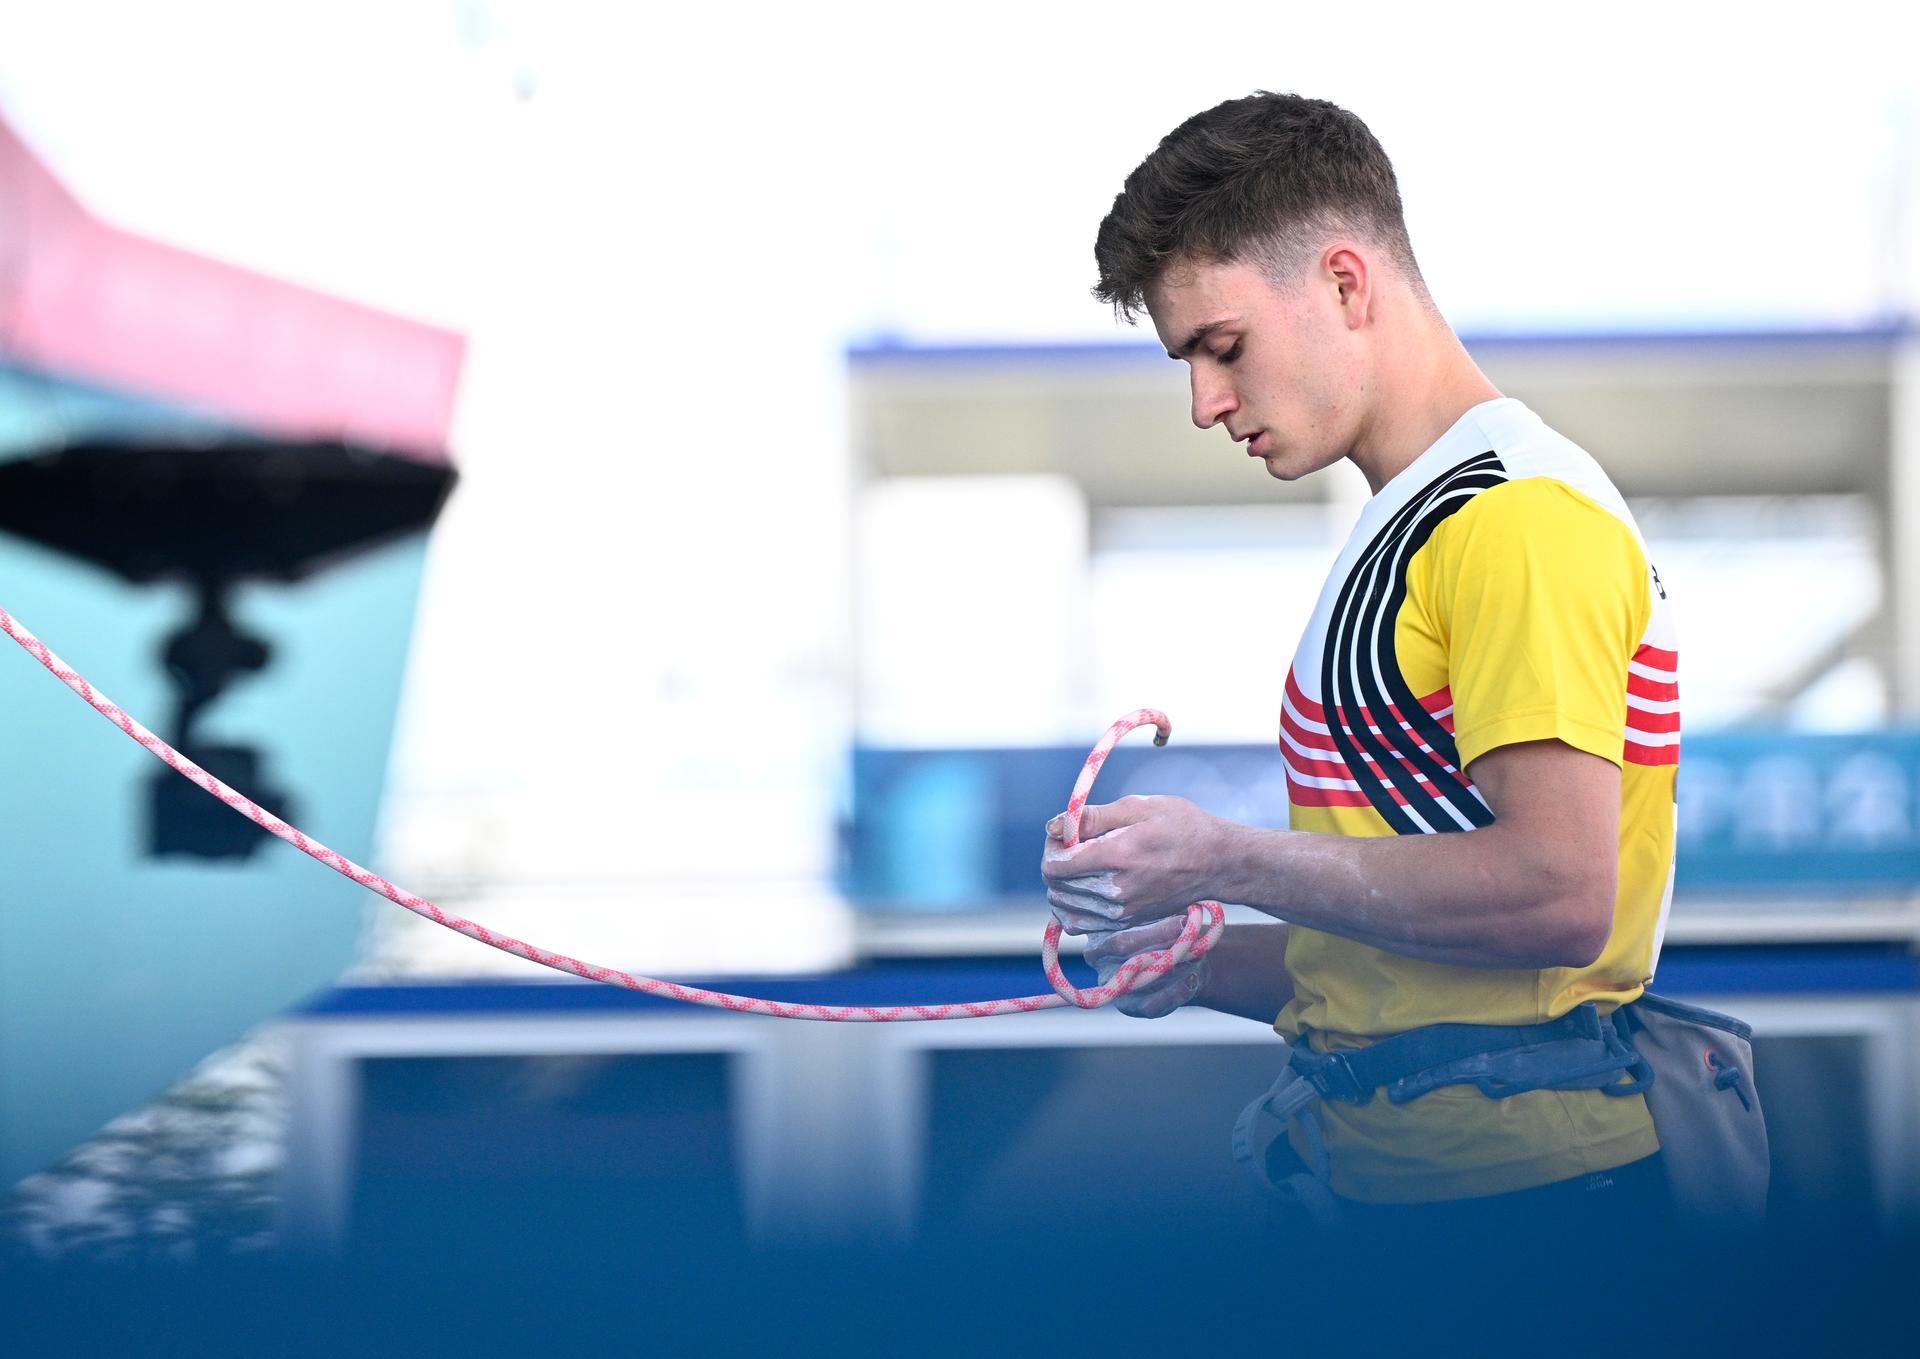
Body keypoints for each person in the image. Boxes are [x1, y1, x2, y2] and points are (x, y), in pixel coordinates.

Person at [1041, 91, 1682, 1230]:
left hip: (1528, 1214)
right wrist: (1198, 964)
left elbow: (1560, 895)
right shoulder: (1420, 521)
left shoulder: (1514, 520)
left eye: (1221, 347)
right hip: (1437, 1198)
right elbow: (1401, 955)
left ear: (1345, 283)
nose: (1203, 404)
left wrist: (1222, 858)